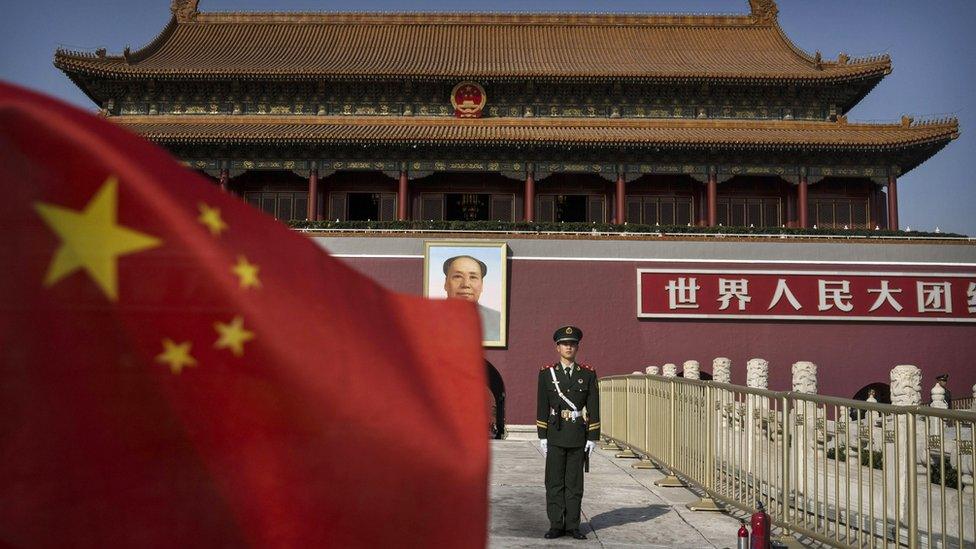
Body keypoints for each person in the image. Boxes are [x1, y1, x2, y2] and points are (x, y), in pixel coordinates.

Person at [536, 326, 600, 540]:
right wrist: (542, 435)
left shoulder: (588, 374)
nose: (568, 347)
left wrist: (592, 437)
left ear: (577, 347)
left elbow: (593, 406)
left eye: (572, 343)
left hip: (577, 435)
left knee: (574, 483)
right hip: (555, 433)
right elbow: (542, 405)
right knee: (554, 482)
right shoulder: (547, 374)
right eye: (565, 343)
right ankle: (556, 524)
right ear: (557, 347)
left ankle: (573, 525)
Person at [442, 255, 501, 342]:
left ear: (482, 285)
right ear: (446, 283)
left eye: (473, 277)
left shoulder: (498, 320)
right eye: (458, 276)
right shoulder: (427, 319)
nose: (465, 284)